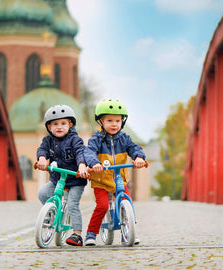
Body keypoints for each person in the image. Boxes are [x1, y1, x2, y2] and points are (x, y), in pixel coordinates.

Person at [83, 99, 146, 246]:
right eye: (109, 120)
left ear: (122, 122)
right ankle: (91, 234)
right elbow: (89, 152)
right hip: (101, 181)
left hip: (119, 179)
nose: (114, 124)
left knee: (127, 201)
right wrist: (95, 163)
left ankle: (130, 232)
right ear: (101, 122)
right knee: (103, 206)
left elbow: (134, 148)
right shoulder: (96, 139)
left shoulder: (124, 138)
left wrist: (138, 157)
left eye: (118, 120)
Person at [36, 105, 89, 246]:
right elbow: (42, 150)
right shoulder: (48, 140)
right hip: (57, 179)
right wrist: (41, 158)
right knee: (42, 193)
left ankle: (77, 234)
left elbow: (79, 152)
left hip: (75, 179)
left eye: (63, 123)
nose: (59, 127)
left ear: (70, 125)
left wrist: (82, 165)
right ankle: (52, 214)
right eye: (55, 124)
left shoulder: (75, 140)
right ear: (49, 127)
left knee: (72, 204)